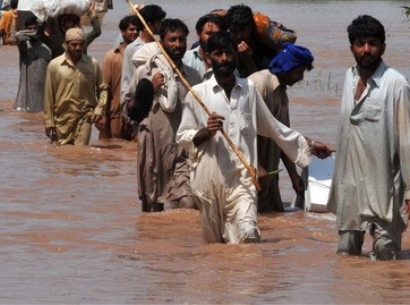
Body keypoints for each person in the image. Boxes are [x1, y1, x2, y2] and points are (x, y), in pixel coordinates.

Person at [176, 31, 332, 244]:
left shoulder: (249, 90)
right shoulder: (197, 93)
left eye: (228, 53)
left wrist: (310, 145)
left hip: (242, 181)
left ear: (236, 56)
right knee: (215, 247)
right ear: (208, 58)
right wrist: (205, 131)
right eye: (218, 54)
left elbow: (274, 127)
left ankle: (249, 277)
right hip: (208, 181)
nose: (223, 59)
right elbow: (183, 137)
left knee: (248, 234)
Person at [327, 15, 410, 261]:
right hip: (351, 187)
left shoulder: (396, 84)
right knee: (346, 256)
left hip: (384, 187)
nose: (366, 49)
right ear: (352, 47)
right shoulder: (348, 78)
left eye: (373, 43)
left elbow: (407, 141)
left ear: (383, 47)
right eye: (360, 43)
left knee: (386, 257)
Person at [123, 18, 200, 212]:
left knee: (187, 202)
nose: (178, 44)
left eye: (181, 40)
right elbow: (128, 110)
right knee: (153, 206)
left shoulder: (192, 76)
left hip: (183, 151)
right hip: (153, 148)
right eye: (172, 39)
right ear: (162, 42)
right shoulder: (145, 72)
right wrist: (149, 88)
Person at [249, 42, 315, 213]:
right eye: (299, 71)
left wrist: (294, 176)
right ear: (288, 66)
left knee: (273, 220)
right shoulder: (259, 84)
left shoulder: (282, 94)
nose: (300, 78)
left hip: (270, 175)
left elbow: (284, 138)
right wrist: (256, 164)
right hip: (253, 172)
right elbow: (244, 129)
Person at [43, 27, 108, 146]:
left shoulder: (92, 64)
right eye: (74, 44)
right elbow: (49, 96)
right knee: (62, 157)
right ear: (67, 44)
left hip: (84, 117)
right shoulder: (54, 65)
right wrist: (49, 122)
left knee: (80, 154)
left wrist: (100, 110)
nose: (78, 48)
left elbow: (102, 89)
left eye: (81, 44)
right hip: (61, 119)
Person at [99, 15, 139, 140]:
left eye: (138, 30)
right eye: (131, 29)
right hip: (115, 115)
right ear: (122, 32)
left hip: (137, 114)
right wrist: (103, 115)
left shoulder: (142, 56)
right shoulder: (111, 57)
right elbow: (104, 88)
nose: (135, 32)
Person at [120, 4, 166, 102]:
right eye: (159, 22)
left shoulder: (161, 46)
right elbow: (127, 79)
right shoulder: (132, 49)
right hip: (140, 100)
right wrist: (125, 105)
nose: (161, 25)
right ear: (149, 25)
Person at [11, 12, 51, 112]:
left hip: (41, 96)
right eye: (29, 29)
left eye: (34, 28)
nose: (32, 31)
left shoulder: (47, 49)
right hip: (24, 97)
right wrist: (34, 33)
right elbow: (16, 36)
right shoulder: (24, 46)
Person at [228, 4, 277, 77]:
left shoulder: (265, 54)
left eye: (242, 30)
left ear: (250, 28)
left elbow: (261, 85)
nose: (238, 36)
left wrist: (248, 61)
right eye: (234, 31)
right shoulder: (227, 50)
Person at [183, 13, 224, 80]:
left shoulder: (227, 61)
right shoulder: (185, 59)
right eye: (209, 33)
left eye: (217, 34)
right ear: (199, 35)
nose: (213, 38)